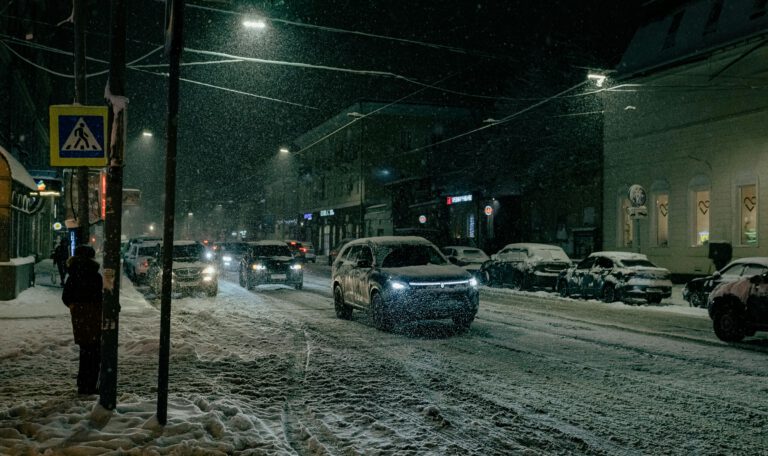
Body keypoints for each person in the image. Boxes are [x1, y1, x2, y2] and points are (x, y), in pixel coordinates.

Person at [62, 245, 103, 395]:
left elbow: (66, 297)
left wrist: (75, 306)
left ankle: (83, 384)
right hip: (94, 317)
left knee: (85, 351)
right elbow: (100, 297)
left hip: (79, 318)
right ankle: (91, 384)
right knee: (95, 352)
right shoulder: (95, 275)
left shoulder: (73, 275)